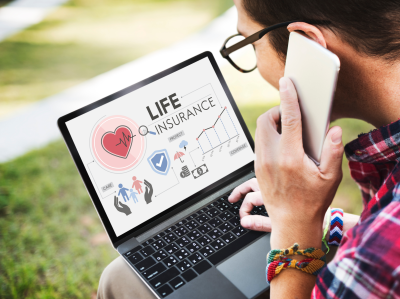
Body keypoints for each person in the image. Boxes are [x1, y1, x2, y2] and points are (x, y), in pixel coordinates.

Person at [97, 0, 400, 298]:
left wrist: (294, 232)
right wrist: (320, 222)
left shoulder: (375, 261)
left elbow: (379, 249)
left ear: (309, 47)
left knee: (118, 280)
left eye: (250, 43)